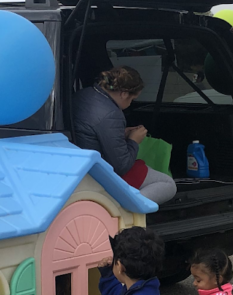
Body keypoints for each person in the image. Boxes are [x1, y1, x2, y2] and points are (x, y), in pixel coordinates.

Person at [72, 66, 177, 205]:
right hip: (100, 173)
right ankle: (125, 211)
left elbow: (94, 131)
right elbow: (122, 166)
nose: (129, 104)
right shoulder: (111, 114)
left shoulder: (84, 95)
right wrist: (134, 141)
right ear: (124, 93)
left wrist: (121, 133)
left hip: (82, 165)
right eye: (132, 99)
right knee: (167, 183)